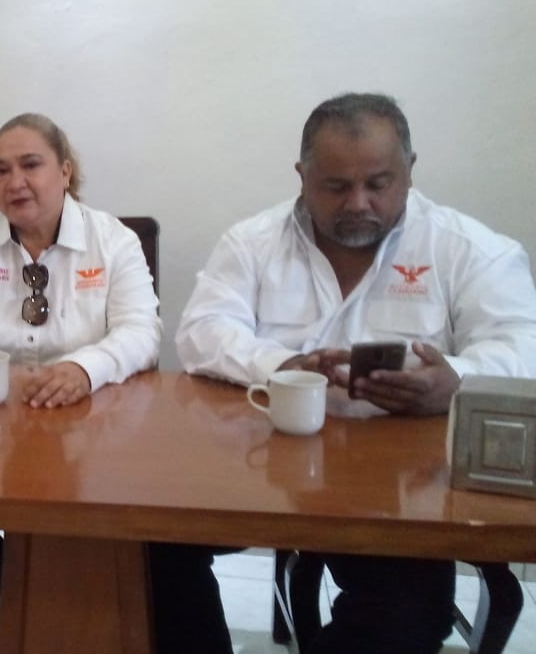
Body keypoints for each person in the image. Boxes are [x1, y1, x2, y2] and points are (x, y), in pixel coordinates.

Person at [171, 93, 536, 654]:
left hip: (401, 490)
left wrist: (456, 380)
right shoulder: (253, 242)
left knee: (406, 614)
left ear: (410, 171)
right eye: (336, 187)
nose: (358, 203)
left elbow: (523, 344)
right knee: (148, 549)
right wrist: (281, 366)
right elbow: (201, 330)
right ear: (302, 176)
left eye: (378, 184)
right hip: (263, 471)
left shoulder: (467, 248)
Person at [0, 113, 161, 598]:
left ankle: (60, 605)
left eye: (30, 165)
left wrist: (84, 369)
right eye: (1, 170)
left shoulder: (113, 241)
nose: (14, 182)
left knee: (99, 520)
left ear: (65, 171)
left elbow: (143, 332)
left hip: (93, 433)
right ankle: (41, 600)